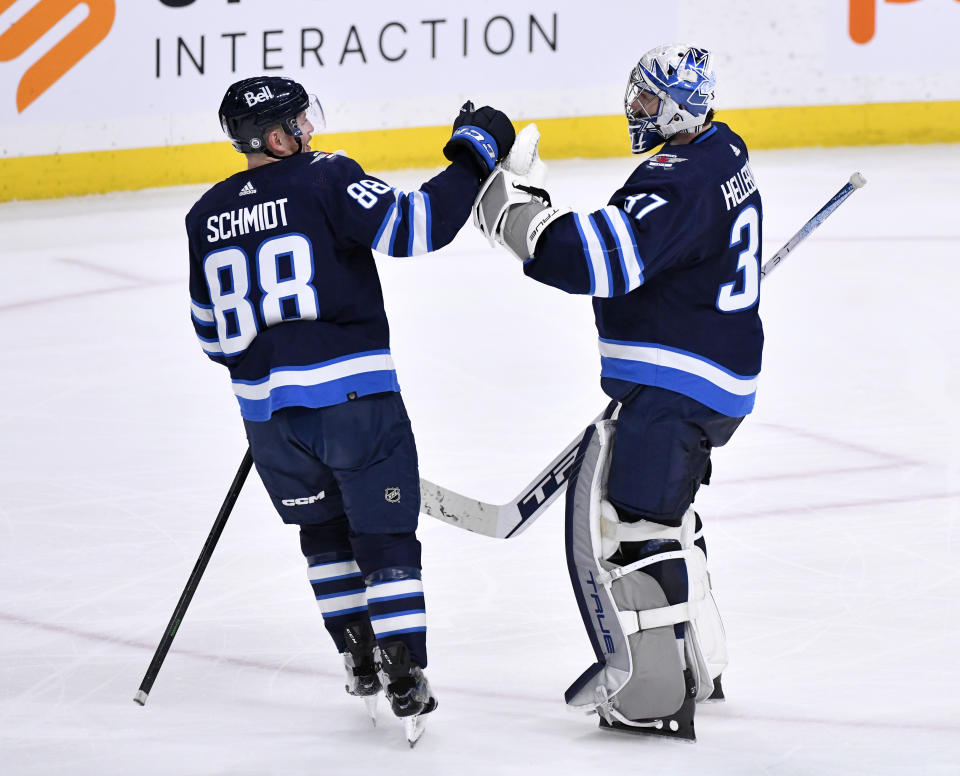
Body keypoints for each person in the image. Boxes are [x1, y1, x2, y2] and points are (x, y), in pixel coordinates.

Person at [186, 75, 514, 743]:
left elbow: (214, 338)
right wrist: (477, 150)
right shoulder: (325, 178)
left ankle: (358, 657)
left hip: (270, 421)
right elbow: (417, 227)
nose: (311, 128)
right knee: (385, 538)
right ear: (278, 137)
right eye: (299, 121)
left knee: (324, 535)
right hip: (356, 404)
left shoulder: (205, 215)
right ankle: (404, 671)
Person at [474, 44, 762, 740]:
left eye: (646, 101)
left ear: (677, 107)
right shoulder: (724, 149)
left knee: (633, 529)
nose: (634, 112)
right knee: (663, 518)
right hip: (711, 372)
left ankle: (654, 696)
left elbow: (592, 260)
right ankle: (701, 662)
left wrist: (519, 217)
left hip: (679, 383)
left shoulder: (676, 178)